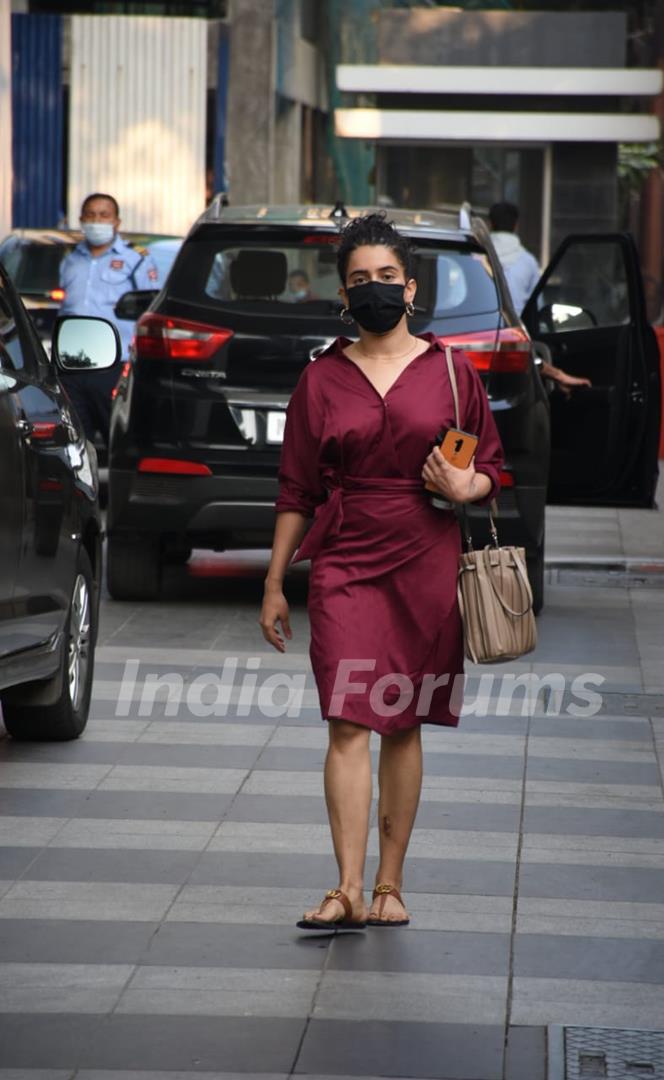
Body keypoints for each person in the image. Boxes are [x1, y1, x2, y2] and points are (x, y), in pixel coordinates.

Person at [259, 213, 504, 931]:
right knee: (346, 719)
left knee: (402, 723)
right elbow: (295, 489)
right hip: (344, 559)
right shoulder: (322, 377)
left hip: (426, 556)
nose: (375, 290)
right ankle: (346, 888)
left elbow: (492, 467)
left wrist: (469, 489)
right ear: (344, 294)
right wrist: (275, 581)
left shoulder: (454, 371)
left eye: (386, 278)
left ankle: (390, 886)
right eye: (360, 280)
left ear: (411, 288)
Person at [58, 193, 159, 443]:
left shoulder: (136, 259)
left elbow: (150, 311)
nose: (97, 220)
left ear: (117, 222)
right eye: (90, 215)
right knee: (76, 439)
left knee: (118, 437)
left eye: (104, 215)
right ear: (81, 220)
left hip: (113, 364)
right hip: (72, 364)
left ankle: (120, 483)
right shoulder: (71, 260)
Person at [489, 201, 591, 394]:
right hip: (519, 345)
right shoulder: (527, 262)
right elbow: (538, 309)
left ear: (490, 224)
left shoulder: (477, 257)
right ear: (515, 225)